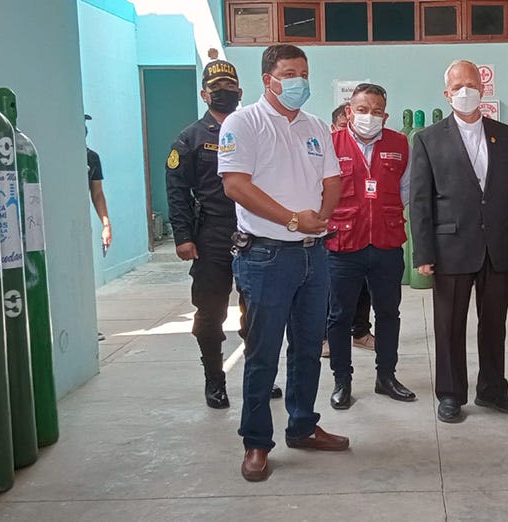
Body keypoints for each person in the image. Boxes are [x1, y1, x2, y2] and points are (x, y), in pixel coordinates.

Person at [219, 44, 349, 482]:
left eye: (304, 73)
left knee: (309, 348)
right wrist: (294, 219)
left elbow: (333, 177)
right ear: (268, 80)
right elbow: (236, 185)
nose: (299, 82)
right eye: (290, 73)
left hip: (315, 255)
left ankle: (303, 425)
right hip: (265, 255)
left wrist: (322, 218)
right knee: (262, 353)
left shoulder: (314, 126)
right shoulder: (244, 123)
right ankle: (256, 441)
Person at [410, 59, 508, 424]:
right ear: (447, 94)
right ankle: (451, 394)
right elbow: (420, 200)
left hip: (498, 246)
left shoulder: (506, 135)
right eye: (457, 87)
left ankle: (493, 389)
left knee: (494, 322)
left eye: (471, 85)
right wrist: (423, 252)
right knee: (449, 325)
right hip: (450, 247)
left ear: (483, 89)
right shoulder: (428, 139)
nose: (465, 92)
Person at [165, 58, 282, 409]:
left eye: (230, 88)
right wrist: (183, 237)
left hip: (255, 231)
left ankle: (259, 376)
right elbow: (176, 190)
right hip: (210, 235)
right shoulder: (189, 138)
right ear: (204, 94)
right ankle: (214, 380)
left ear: (240, 92)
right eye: (216, 89)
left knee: (258, 311)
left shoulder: (254, 129)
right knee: (210, 311)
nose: (224, 94)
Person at [326, 83, 415, 410]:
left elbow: (406, 189)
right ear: (349, 112)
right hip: (343, 244)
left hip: (386, 243)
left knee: (389, 312)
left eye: (377, 111)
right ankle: (342, 380)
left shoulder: (399, 143)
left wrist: (381, 212)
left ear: (385, 115)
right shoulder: (331, 144)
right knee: (339, 316)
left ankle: (386, 376)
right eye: (362, 110)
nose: (369, 116)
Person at [319, 103, 376, 359]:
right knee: (332, 293)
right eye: (344, 126)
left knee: (365, 288)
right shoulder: (327, 147)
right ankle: (324, 337)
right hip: (334, 233)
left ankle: (361, 331)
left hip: (365, 231)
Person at [86, 114, 111, 343]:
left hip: (80, 227)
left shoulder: (91, 158)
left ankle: (88, 326)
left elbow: (97, 194)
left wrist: (106, 225)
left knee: (85, 277)